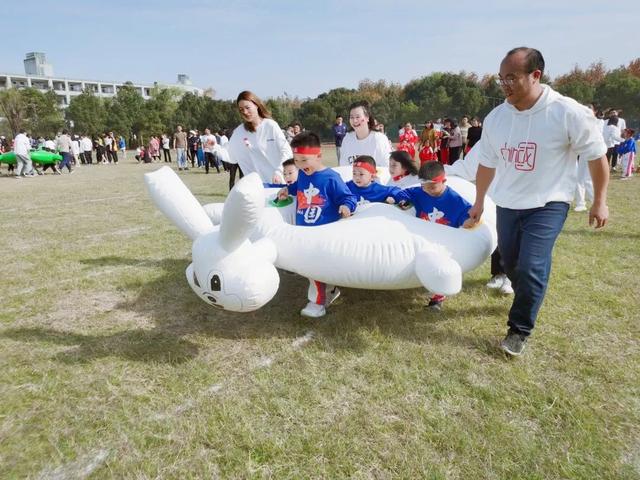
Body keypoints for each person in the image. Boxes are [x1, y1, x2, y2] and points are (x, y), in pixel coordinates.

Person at [467, 47, 609, 356]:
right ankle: (527, 296)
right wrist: (479, 202)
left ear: (536, 75)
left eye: (512, 78)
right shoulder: (497, 118)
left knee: (532, 265)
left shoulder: (566, 112)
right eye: (501, 78)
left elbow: (597, 156)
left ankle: (518, 330)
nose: (505, 85)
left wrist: (600, 200)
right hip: (507, 202)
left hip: (549, 202)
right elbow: (487, 164)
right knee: (512, 263)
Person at [276, 132, 357, 318]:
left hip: (323, 233)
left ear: (318, 156)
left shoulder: (331, 177)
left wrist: (346, 206)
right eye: (296, 161)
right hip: (304, 231)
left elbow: (348, 197)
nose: (300, 165)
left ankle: (317, 302)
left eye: (304, 160)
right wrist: (287, 189)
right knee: (315, 269)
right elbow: (299, 187)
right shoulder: (304, 174)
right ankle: (331, 289)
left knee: (313, 269)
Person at [400, 161, 474, 310]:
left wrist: (468, 221)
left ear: (444, 181)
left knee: (440, 266)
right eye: (424, 186)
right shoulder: (421, 191)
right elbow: (403, 193)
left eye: (432, 187)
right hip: (423, 237)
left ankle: (437, 299)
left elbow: (468, 215)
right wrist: (402, 200)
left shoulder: (454, 200)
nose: (428, 190)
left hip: (443, 241)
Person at [222, 90, 292, 189]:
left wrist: (279, 171)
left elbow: (287, 152)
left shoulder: (270, 125)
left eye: (247, 107)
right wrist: (214, 148)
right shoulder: (239, 132)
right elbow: (231, 156)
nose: (245, 112)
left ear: (256, 105)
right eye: (241, 110)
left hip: (279, 183)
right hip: (256, 188)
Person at [338, 100, 392, 167]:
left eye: (358, 117)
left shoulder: (379, 139)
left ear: (367, 118)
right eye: (351, 117)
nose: (354, 120)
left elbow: (387, 167)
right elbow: (343, 166)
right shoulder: (347, 139)